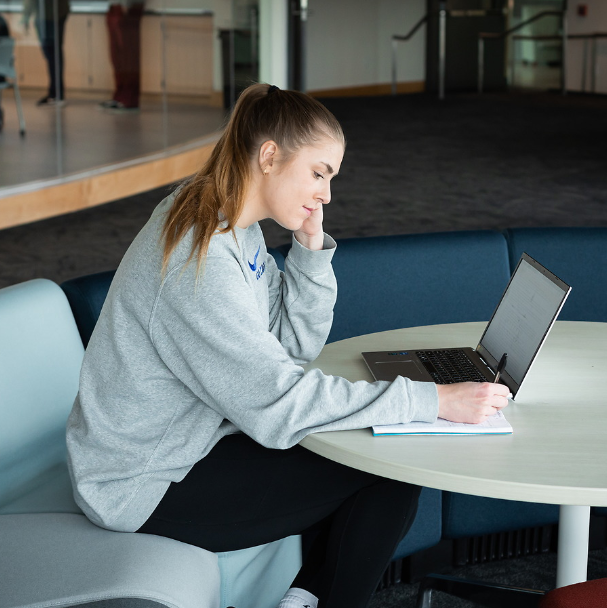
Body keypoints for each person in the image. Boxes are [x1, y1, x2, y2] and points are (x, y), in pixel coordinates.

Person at [66, 83, 509, 608]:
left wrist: (310, 250)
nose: (326, 194)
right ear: (270, 156)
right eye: (319, 173)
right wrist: (430, 401)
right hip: (143, 482)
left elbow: (289, 350)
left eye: (331, 179)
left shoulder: (232, 221)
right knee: (386, 471)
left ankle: (304, 599)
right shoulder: (201, 258)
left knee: (373, 453)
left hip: (193, 444)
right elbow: (277, 405)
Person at [98, 1, 144, 112]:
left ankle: (129, 99)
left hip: (127, 8)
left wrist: (126, 5)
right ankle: (120, 95)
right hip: (115, 6)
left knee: (128, 56)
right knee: (117, 56)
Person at [22, 0, 70, 106]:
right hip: (47, 14)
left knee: (53, 54)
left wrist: (26, 15)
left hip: (52, 15)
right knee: (52, 55)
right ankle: (55, 93)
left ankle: (56, 94)